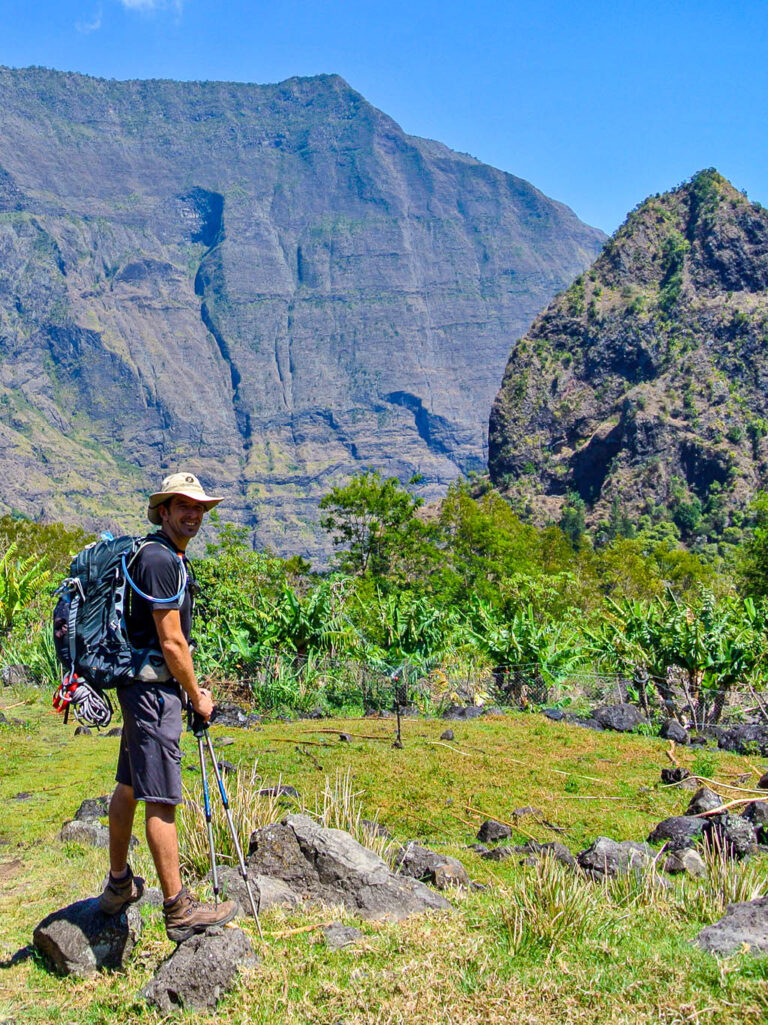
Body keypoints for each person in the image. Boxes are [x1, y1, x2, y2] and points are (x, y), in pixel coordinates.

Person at [97, 472, 238, 942]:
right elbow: (173, 642)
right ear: (164, 511)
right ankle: (178, 909)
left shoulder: (160, 554)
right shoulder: (160, 561)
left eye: (199, 508)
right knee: (160, 796)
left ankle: (119, 885)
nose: (193, 514)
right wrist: (197, 695)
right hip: (154, 693)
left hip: (141, 688)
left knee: (129, 784)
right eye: (184, 506)